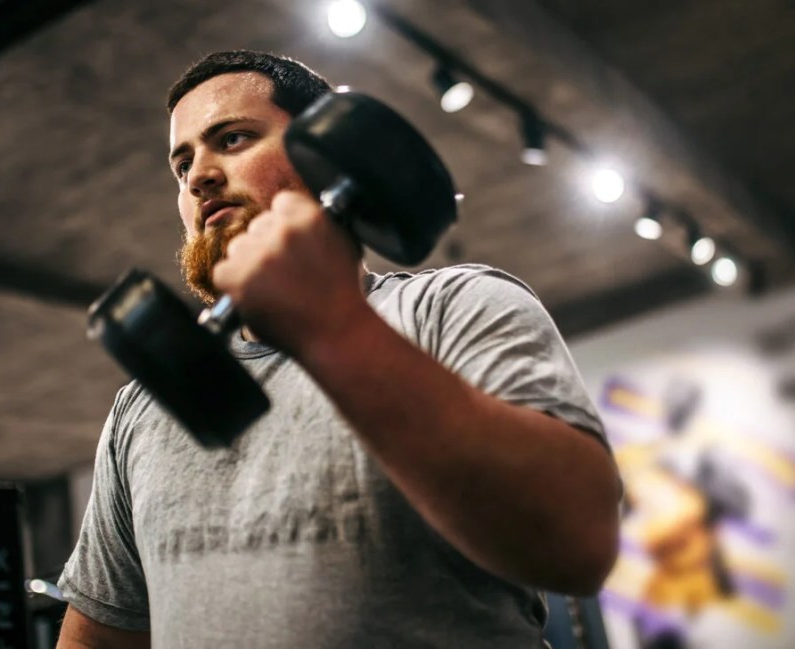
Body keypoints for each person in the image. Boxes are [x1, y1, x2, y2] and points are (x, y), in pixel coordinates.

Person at [56, 50, 621, 649]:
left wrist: (333, 328)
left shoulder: (451, 308)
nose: (198, 175)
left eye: (234, 138)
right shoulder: (143, 410)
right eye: (182, 163)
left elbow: (578, 544)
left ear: (330, 158)